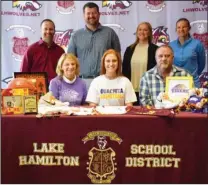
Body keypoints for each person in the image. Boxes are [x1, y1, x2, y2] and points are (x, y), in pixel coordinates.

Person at [67, 2, 121, 89]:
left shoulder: (110, 33)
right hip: (82, 82)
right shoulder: (76, 35)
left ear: (99, 14)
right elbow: (70, 59)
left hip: (106, 80)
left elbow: (117, 57)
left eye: (94, 13)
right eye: (88, 13)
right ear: (84, 15)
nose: (91, 16)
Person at [122, 22, 158, 105]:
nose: (142, 32)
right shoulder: (129, 49)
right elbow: (124, 70)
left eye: (145, 30)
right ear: (137, 32)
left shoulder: (155, 50)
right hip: (131, 91)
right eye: (140, 29)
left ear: (149, 33)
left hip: (148, 90)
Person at [169, 18, 205, 88]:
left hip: (193, 83)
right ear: (176, 29)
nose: (181, 30)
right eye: (178, 27)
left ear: (189, 28)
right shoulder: (171, 45)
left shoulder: (197, 44)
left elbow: (201, 64)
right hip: (175, 83)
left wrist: (193, 75)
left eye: (184, 27)